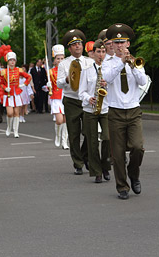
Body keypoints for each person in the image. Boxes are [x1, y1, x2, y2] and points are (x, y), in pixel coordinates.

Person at [102, 23, 148, 200]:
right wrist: (121, 63)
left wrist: (132, 66)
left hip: (134, 110)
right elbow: (106, 78)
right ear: (112, 45)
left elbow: (143, 81)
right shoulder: (108, 63)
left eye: (123, 42)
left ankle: (134, 174)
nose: (120, 46)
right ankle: (122, 186)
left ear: (128, 44)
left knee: (138, 147)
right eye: (117, 42)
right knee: (118, 153)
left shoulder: (136, 61)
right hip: (115, 112)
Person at [57, 29, 94, 175]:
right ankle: (77, 163)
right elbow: (59, 83)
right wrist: (67, 79)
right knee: (74, 133)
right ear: (69, 48)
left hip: (86, 100)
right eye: (74, 44)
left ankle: (85, 155)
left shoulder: (90, 62)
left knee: (88, 131)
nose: (78, 46)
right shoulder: (64, 64)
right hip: (71, 100)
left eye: (79, 43)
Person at [78, 40, 112, 183]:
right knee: (92, 142)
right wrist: (88, 98)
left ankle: (105, 166)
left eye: (103, 52)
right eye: (98, 52)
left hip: (105, 108)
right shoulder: (86, 71)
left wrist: (107, 84)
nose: (101, 55)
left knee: (107, 138)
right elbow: (81, 92)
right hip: (90, 109)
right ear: (93, 53)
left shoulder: (110, 69)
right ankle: (96, 171)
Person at [0, 51, 32, 138]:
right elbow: (1, 83)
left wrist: (24, 84)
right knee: (10, 113)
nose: (12, 62)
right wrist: (5, 88)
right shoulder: (4, 72)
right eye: (10, 60)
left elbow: (28, 77)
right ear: (8, 61)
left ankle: (16, 131)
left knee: (16, 112)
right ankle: (9, 127)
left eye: (14, 60)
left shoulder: (19, 70)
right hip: (8, 94)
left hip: (16, 93)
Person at [48, 45, 68, 149]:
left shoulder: (68, 70)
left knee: (66, 120)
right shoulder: (51, 72)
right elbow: (47, 87)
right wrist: (48, 86)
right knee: (59, 120)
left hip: (66, 96)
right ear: (54, 60)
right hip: (56, 98)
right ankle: (58, 136)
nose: (60, 60)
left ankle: (65, 141)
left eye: (62, 58)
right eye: (58, 58)